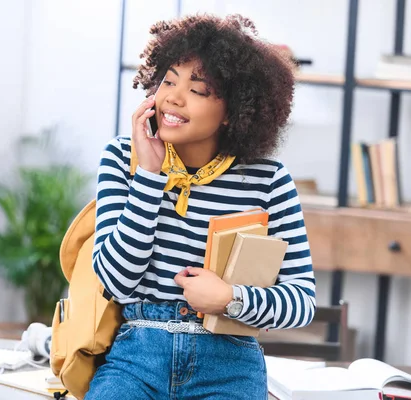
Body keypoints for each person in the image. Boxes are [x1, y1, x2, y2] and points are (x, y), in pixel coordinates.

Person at [87, 13, 315, 399]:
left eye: (198, 89)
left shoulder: (268, 179)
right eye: (168, 80)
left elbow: (301, 301)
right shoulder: (123, 157)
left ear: (233, 111)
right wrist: (149, 175)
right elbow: (115, 282)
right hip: (137, 358)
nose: (173, 97)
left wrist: (230, 299)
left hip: (230, 364)